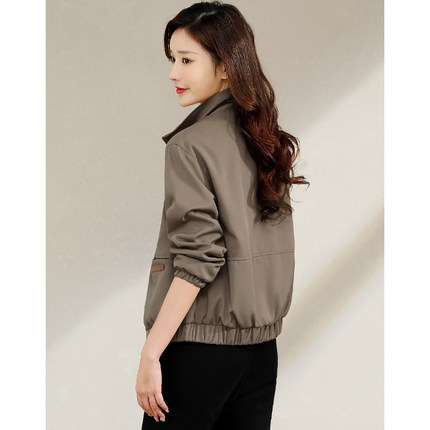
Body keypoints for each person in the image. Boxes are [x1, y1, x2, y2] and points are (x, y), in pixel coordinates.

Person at [136, 2, 309, 429]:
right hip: (260, 352)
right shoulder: (265, 139)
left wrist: (151, 353)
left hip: (198, 350)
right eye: (172, 59)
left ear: (226, 66)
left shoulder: (189, 146)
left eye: (186, 60)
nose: (172, 73)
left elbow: (200, 256)